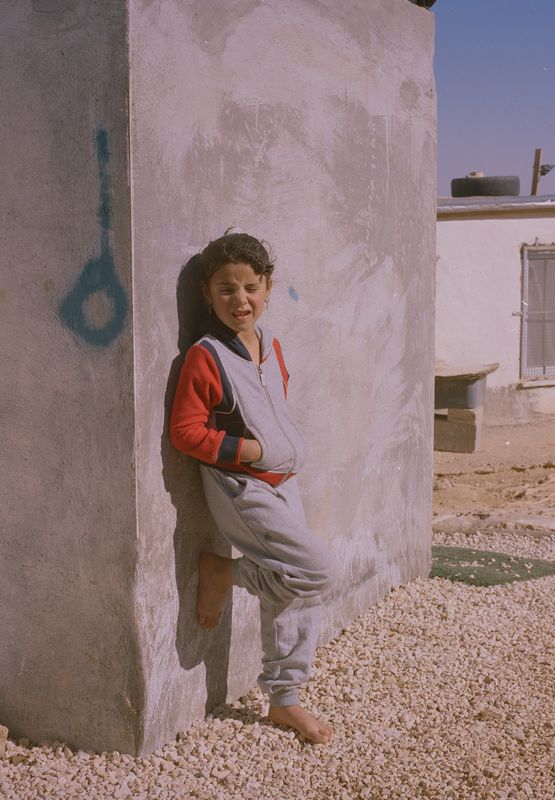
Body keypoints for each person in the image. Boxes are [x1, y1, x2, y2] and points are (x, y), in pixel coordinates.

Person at [169, 231, 337, 744]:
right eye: (225, 289)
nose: (239, 300)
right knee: (316, 571)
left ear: (266, 288)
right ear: (207, 293)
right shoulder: (206, 355)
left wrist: (282, 456)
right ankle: (228, 573)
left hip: (283, 483)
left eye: (249, 287)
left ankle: (284, 701)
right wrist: (252, 453)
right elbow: (185, 431)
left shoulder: (268, 345)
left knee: (294, 586)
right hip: (243, 488)